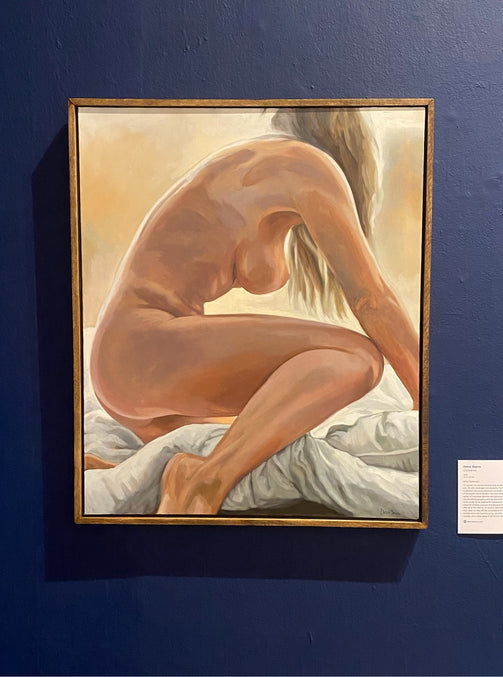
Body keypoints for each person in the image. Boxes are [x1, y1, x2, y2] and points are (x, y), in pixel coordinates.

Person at [89, 108, 420, 515]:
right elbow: (371, 300)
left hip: (136, 375)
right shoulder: (307, 166)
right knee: (360, 358)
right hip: (142, 355)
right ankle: (202, 481)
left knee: (266, 429)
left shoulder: (259, 167)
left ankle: (148, 469)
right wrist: (425, 399)